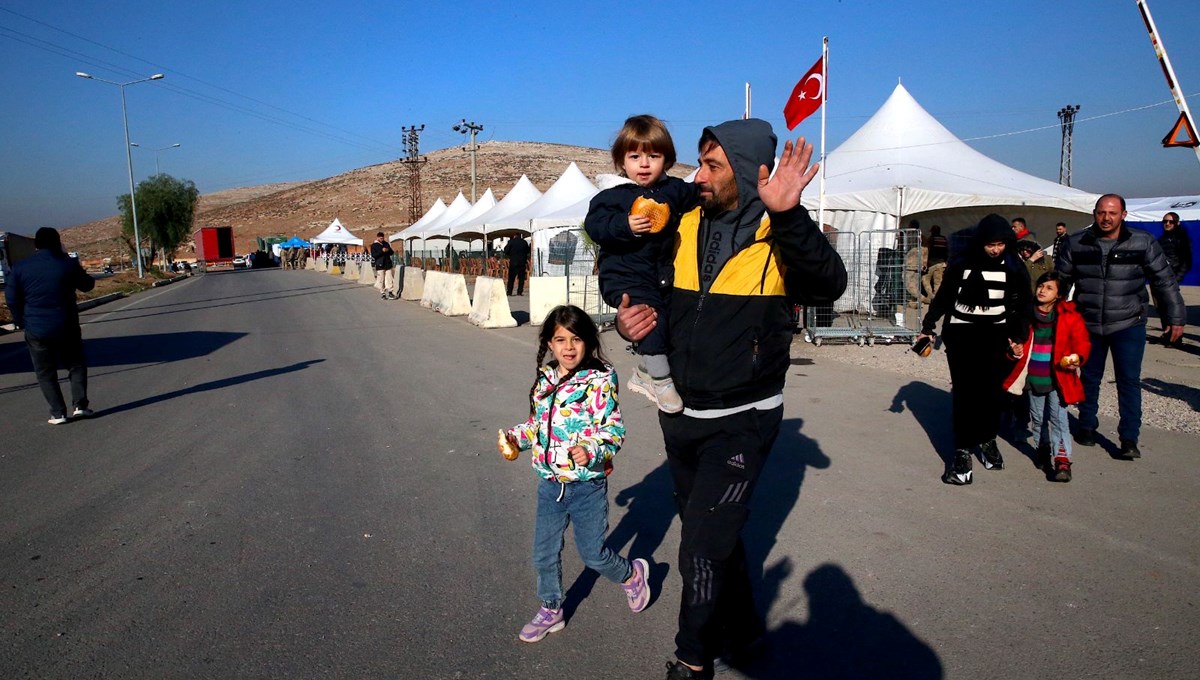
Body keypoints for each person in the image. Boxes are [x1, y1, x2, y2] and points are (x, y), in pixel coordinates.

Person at [616, 119, 847, 680]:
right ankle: (742, 627)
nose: (699, 175)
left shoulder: (780, 231)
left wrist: (789, 214)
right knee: (713, 530)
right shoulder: (683, 221)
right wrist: (630, 322)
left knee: (701, 540)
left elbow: (828, 284)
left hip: (745, 419)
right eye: (700, 162)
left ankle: (692, 658)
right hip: (680, 413)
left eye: (713, 165)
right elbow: (638, 277)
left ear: (744, 172)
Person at [499, 305, 650, 644]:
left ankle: (632, 574)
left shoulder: (600, 378)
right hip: (550, 484)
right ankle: (551, 608)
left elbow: (613, 430)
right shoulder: (547, 377)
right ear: (549, 343)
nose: (569, 347)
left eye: (577, 339)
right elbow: (538, 425)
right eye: (560, 339)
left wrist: (592, 450)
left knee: (594, 554)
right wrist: (516, 438)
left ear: (589, 341)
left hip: (587, 486)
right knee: (543, 553)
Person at [1056, 194, 1185, 458]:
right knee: (1089, 378)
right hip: (1089, 323)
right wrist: (1051, 316)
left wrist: (1175, 317)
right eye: (1102, 212)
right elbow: (1060, 282)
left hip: (1128, 324)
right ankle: (1087, 427)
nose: (1106, 218)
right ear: (1094, 213)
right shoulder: (1076, 243)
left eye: (1112, 213)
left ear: (1123, 215)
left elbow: (1164, 281)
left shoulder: (1142, 242)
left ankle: (1129, 439)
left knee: (1128, 381)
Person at [585, 114, 699, 413]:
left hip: (659, 274)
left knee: (671, 321)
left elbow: (696, 193)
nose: (644, 164)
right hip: (624, 274)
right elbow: (595, 226)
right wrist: (624, 225)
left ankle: (645, 371)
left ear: (668, 160)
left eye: (654, 156)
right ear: (622, 161)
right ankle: (660, 380)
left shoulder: (672, 190)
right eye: (635, 156)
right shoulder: (612, 196)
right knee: (650, 317)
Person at [916, 214, 1031, 485]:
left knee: (991, 393)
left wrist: (1018, 335)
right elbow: (943, 297)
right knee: (966, 394)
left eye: (1000, 244)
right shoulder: (962, 263)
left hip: (996, 336)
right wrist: (928, 326)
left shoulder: (1014, 266)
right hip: (962, 336)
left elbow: (1021, 304)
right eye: (990, 244)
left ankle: (988, 438)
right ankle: (963, 451)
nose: (995, 249)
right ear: (981, 241)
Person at [1002, 271, 1091, 482]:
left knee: (1059, 419)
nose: (1042, 290)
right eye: (1041, 285)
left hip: (1059, 380)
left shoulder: (1070, 317)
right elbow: (1014, 345)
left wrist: (1077, 357)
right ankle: (1043, 447)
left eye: (1049, 287)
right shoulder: (1026, 315)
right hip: (1034, 378)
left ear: (1059, 295)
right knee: (1038, 418)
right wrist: (1014, 351)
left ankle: (1062, 460)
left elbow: (1083, 343)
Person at [4, 227, 96, 424]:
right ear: (58, 242)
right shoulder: (67, 264)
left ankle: (58, 413)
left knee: (45, 371)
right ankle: (80, 406)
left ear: (36, 245)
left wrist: (21, 321)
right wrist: (73, 264)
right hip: (66, 325)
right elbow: (88, 285)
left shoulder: (20, 267)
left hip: (36, 327)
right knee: (76, 365)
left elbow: (12, 299)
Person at [1155, 212, 1191, 348]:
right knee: (1161, 307)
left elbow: (1186, 261)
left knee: (1173, 307)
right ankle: (1167, 333)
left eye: (1171, 222)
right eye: (1165, 221)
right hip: (1159, 278)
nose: (1167, 224)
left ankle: (1176, 338)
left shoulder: (1181, 239)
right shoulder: (1162, 239)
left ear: (1177, 223)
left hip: (1172, 278)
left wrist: (1177, 278)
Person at [922, 224, 949, 299]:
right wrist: (946, 262)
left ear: (933, 232)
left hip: (932, 263)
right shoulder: (944, 239)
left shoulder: (931, 239)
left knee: (925, 279)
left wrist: (924, 262)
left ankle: (931, 295)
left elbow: (927, 250)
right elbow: (947, 251)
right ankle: (938, 298)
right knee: (938, 282)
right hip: (941, 263)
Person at [369, 232, 396, 299]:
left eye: (382, 238)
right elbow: (374, 255)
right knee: (381, 279)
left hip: (388, 264)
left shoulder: (386, 244)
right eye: (380, 238)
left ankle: (390, 292)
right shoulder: (374, 245)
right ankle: (383, 293)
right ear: (377, 238)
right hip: (380, 264)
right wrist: (382, 251)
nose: (382, 239)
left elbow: (392, 252)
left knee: (389, 278)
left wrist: (388, 250)